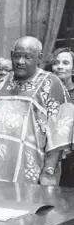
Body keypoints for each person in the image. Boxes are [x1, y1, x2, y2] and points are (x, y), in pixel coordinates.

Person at [0, 36, 74, 185]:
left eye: (27, 57)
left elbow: (61, 133)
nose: (20, 61)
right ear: (11, 54)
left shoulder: (52, 83)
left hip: (32, 168)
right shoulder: (1, 81)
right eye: (17, 56)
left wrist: (49, 169)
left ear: (39, 58)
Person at [44, 47, 74, 187]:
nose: (60, 67)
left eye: (66, 63)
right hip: (46, 152)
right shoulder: (43, 90)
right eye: (56, 63)